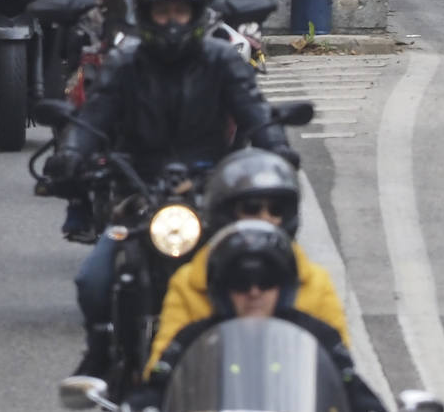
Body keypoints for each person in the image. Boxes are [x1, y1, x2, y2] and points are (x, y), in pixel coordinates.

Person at [43, 0, 297, 381]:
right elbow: (93, 118)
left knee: (264, 266)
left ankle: (273, 359)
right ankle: (103, 352)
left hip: (213, 193)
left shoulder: (223, 61)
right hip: (138, 192)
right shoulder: (124, 64)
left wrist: (279, 152)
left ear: (196, 14)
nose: (172, 22)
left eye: (181, 11)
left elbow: (255, 113)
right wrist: (70, 153)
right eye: (163, 12)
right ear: (146, 16)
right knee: (94, 278)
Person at [128, 221, 384, 412]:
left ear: (284, 287)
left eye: (266, 281)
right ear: (222, 289)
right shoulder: (191, 338)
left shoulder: (320, 337)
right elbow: (155, 389)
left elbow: (353, 388)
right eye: (241, 282)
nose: (254, 292)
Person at [145, 148, 349, 374]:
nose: (265, 218)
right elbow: (162, 373)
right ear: (226, 213)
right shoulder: (189, 283)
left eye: (276, 210)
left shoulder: (316, 282)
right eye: (252, 208)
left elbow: (341, 373)